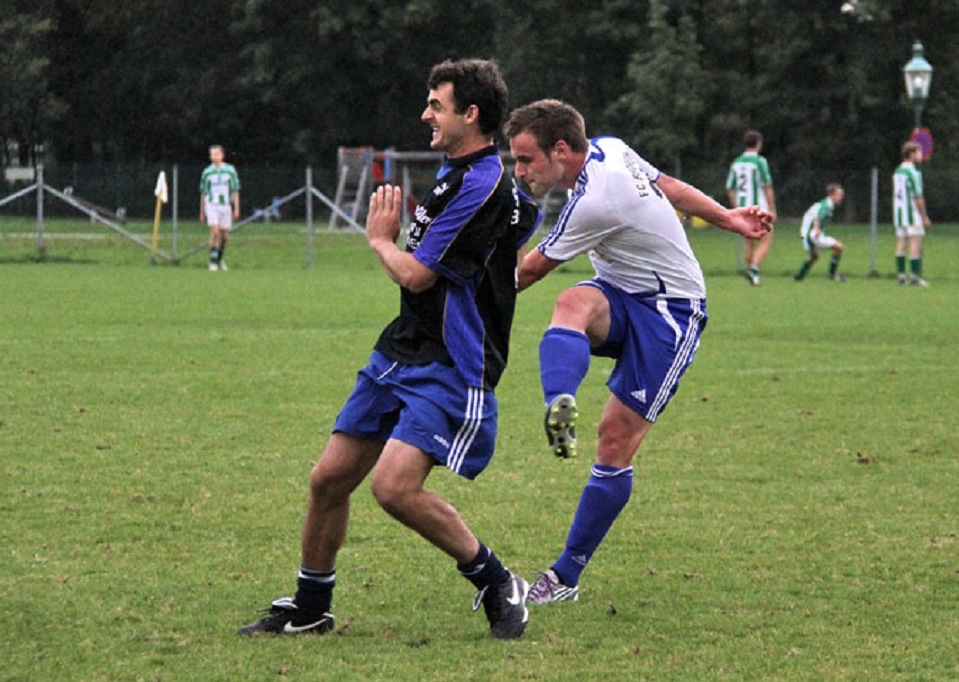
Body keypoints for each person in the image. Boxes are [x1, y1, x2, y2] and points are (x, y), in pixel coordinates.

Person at [238, 59, 540, 640]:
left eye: (436, 105)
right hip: (403, 347)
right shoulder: (462, 172)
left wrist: (380, 240)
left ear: (470, 115)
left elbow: (418, 276)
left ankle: (499, 581)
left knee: (393, 488)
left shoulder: (481, 184)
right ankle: (311, 606)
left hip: (451, 360)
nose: (425, 114)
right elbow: (525, 218)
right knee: (329, 479)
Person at [503, 100, 772, 604]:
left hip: (671, 313)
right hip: (622, 292)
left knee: (614, 441)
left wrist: (456, 289)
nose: (519, 171)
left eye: (525, 159)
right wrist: (729, 219)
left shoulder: (595, 201)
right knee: (572, 303)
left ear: (559, 150)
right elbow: (667, 185)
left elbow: (528, 272)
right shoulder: (611, 148)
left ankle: (564, 578)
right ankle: (559, 403)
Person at [726, 130, 777, 286]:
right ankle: (753, 270)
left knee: (749, 241)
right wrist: (772, 208)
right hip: (758, 206)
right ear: (758, 144)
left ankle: (753, 278)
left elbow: (730, 188)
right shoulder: (759, 162)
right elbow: (767, 185)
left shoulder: (736, 162)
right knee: (766, 239)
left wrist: (736, 207)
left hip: (743, 207)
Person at [893, 142, 932, 287]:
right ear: (911, 154)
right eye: (919, 152)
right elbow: (918, 197)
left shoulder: (898, 171)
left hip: (899, 213)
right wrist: (924, 217)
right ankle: (915, 277)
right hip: (912, 213)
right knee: (915, 242)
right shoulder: (913, 173)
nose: (921, 155)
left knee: (901, 242)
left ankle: (901, 275)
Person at [199, 145, 241, 271]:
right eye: (212, 155)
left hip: (225, 206)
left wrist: (236, 208)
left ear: (222, 155)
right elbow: (203, 193)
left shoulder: (230, 170)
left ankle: (219, 258)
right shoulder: (207, 172)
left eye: (216, 154)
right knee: (215, 232)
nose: (214, 157)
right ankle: (212, 262)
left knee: (224, 236)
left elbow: (235, 190)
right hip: (212, 205)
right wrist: (202, 212)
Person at [794, 183, 846, 282]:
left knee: (814, 257)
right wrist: (817, 229)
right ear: (831, 194)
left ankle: (799, 276)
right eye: (839, 195)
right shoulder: (827, 205)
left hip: (806, 233)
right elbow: (817, 217)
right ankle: (832, 274)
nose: (841, 197)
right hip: (812, 233)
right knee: (839, 247)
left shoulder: (824, 203)